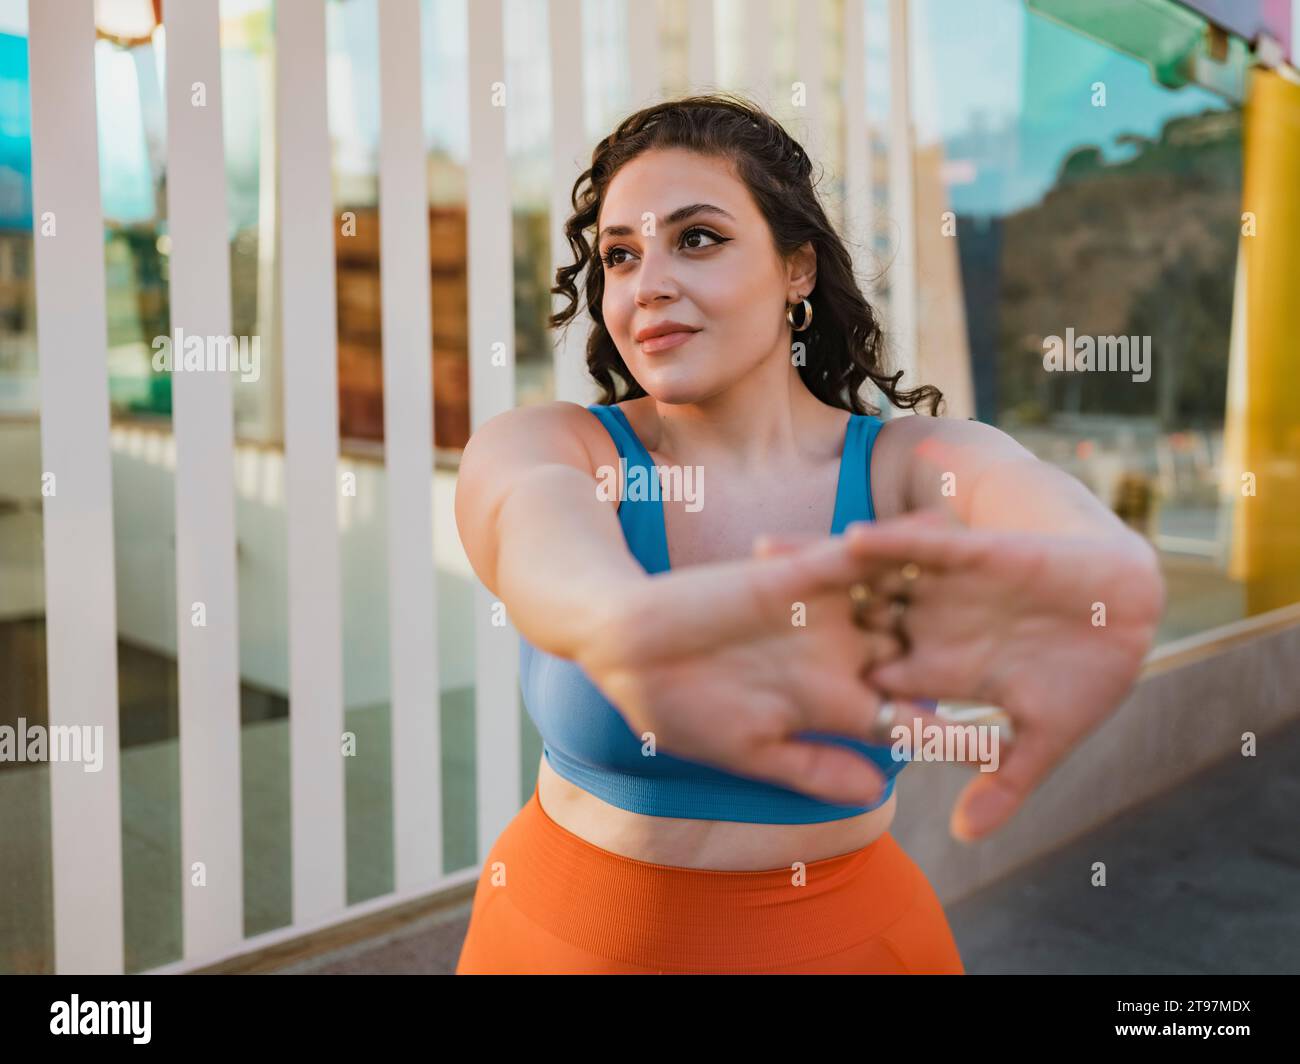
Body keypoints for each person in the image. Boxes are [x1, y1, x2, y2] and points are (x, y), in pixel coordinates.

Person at [453, 94, 1165, 974]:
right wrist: (619, 622)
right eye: (621, 255)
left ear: (797, 268)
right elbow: (536, 527)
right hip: (556, 942)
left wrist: (1106, 569)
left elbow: (1024, 493)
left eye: (698, 237)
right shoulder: (549, 445)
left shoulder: (909, 466)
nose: (648, 285)